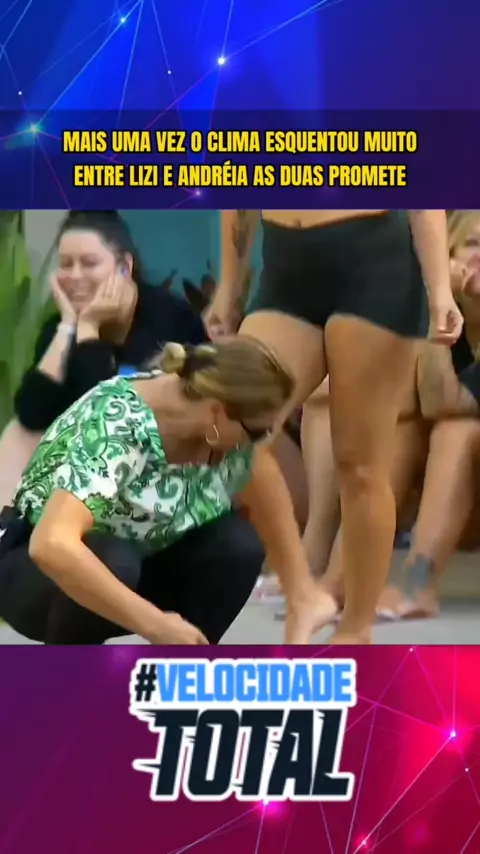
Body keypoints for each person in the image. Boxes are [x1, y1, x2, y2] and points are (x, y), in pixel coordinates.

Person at [205, 210, 463, 644]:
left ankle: (355, 629)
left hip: (374, 263)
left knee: (360, 467)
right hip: (285, 265)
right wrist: (230, 287)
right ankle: (302, 590)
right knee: (233, 428)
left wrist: (439, 289)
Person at [0, 338, 326, 646]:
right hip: (36, 572)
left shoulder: (225, 431)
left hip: (142, 563)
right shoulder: (119, 425)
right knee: (114, 558)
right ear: (217, 412)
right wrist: (154, 623)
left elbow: (264, 483)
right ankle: (72, 678)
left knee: (236, 545)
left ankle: (182, 667)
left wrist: (300, 593)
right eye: (258, 431)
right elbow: (51, 544)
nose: (262, 439)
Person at [297, 211, 480, 623]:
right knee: (396, 418)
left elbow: (446, 403)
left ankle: (416, 585)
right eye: (472, 244)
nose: (478, 257)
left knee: (455, 430)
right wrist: (437, 303)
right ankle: (337, 577)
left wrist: (434, 312)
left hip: (464, 476)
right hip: (439, 490)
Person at [14, 210, 207, 432]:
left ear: (125, 266)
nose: (75, 276)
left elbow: (108, 422)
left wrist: (88, 328)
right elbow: (30, 415)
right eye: (66, 264)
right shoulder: (61, 328)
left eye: (89, 263)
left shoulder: (172, 319)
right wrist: (67, 325)